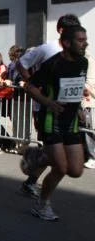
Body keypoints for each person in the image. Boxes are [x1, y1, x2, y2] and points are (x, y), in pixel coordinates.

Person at [23, 26, 89, 220]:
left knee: (75, 170)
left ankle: (42, 156)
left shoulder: (83, 62)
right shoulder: (53, 64)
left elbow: (75, 88)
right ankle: (42, 204)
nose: (85, 43)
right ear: (67, 43)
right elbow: (29, 86)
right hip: (51, 121)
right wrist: (48, 102)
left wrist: (78, 108)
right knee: (60, 168)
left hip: (71, 122)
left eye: (85, 39)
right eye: (80, 40)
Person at [17, 14, 81, 198]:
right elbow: (21, 63)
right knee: (56, 153)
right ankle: (33, 181)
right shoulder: (47, 49)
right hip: (45, 109)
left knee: (61, 155)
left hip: (67, 111)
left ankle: (34, 166)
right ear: (61, 31)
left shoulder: (77, 54)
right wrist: (34, 85)